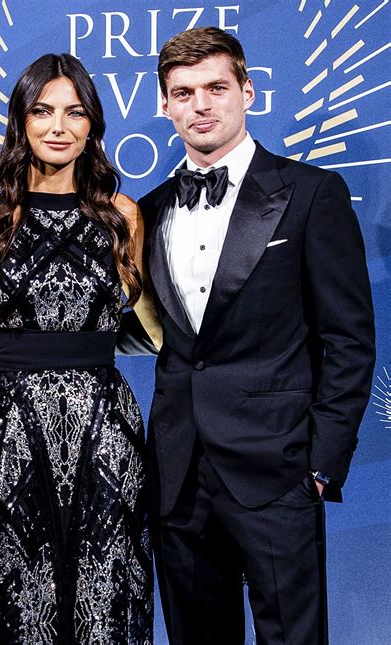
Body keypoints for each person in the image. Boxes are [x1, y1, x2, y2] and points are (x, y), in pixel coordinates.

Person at [137, 27, 375, 644]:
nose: (201, 105)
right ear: (164, 105)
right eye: (183, 93)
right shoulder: (148, 210)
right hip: (178, 475)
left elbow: (349, 340)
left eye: (217, 88)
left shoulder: (312, 194)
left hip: (279, 470)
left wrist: (321, 464)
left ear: (248, 92)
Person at [0, 53, 160, 644]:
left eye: (75, 113)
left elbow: (150, 326)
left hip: (105, 432)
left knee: (101, 597)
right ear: (20, 121)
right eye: (43, 111)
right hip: (10, 431)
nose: (58, 127)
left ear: (92, 125)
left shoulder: (123, 217)